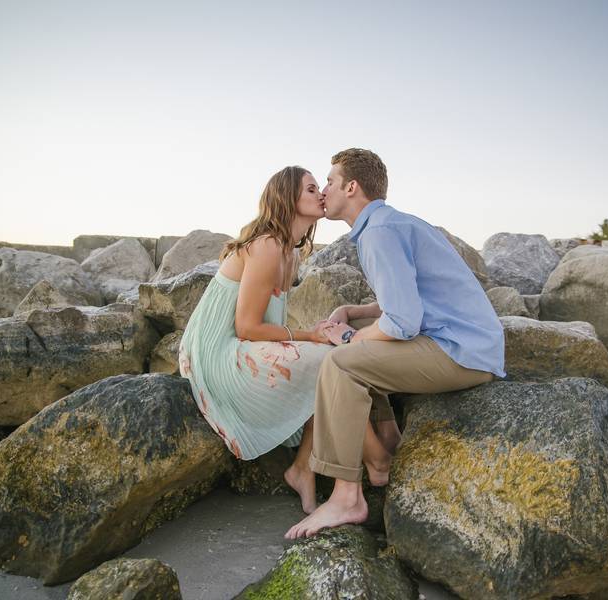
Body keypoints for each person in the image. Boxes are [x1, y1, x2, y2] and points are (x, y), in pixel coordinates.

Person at [286, 149, 506, 539]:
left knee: (340, 363)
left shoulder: (379, 233)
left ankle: (346, 497)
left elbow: (403, 322)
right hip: (468, 342)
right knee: (360, 340)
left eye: (331, 182)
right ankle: (385, 438)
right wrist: (353, 312)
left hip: (461, 353)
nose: (326, 191)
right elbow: (406, 302)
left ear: (352, 187)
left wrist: (349, 338)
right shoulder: (388, 224)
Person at [178, 166, 334, 514]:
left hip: (242, 342)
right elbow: (247, 326)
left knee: (331, 360)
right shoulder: (267, 246)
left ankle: (302, 470)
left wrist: (317, 335)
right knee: (329, 362)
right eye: (311, 189)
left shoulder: (291, 252)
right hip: (217, 351)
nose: (321, 193)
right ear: (288, 198)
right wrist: (309, 336)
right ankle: (369, 463)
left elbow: (267, 321)